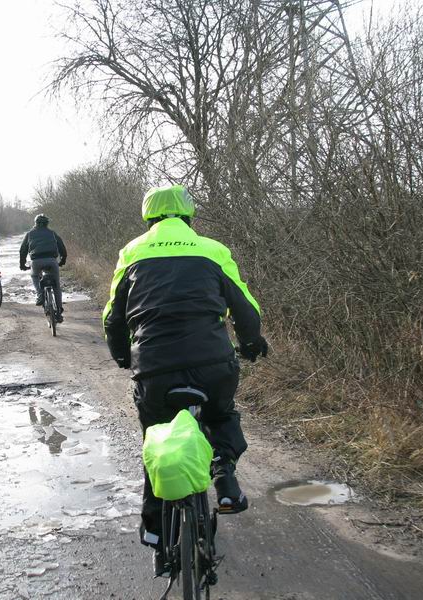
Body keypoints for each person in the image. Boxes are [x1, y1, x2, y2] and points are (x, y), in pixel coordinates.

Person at [102, 184, 268, 577]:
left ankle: (158, 537)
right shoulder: (212, 249)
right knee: (220, 415)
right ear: (190, 215)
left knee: (158, 443)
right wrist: (250, 342)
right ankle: (224, 472)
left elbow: (113, 316)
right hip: (212, 363)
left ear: (148, 216)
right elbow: (245, 307)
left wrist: (125, 356)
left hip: (155, 368)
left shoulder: (132, 252)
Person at [19, 214, 68, 323]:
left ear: (35, 223)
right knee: (56, 285)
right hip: (52, 261)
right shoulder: (52, 233)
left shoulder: (29, 234)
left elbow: (23, 250)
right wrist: (62, 261)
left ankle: (40, 294)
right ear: (47, 224)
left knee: (35, 275)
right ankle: (59, 311)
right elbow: (62, 248)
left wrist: (22, 265)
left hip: (36, 262)